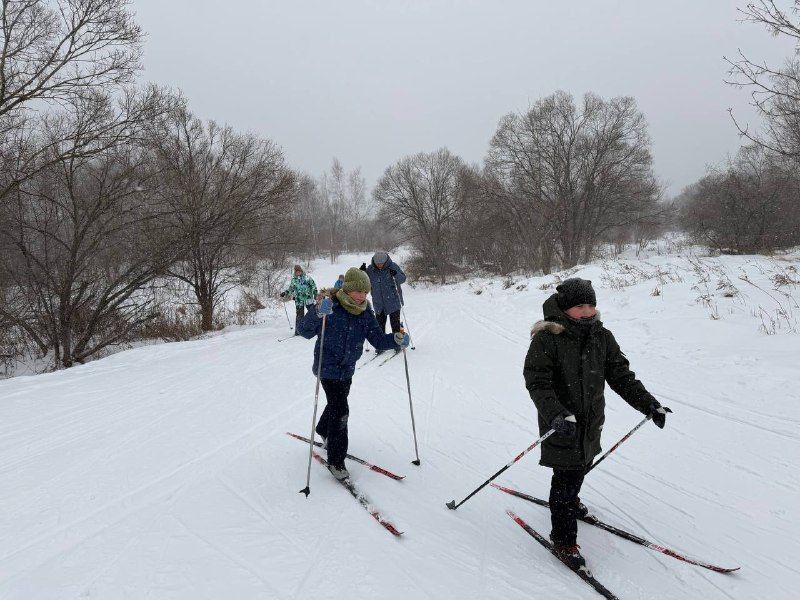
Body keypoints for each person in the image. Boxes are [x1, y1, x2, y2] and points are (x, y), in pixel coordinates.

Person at [523, 278, 667, 570]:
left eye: (591, 304)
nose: (587, 311)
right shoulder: (547, 338)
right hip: (562, 422)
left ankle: (571, 501)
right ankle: (563, 540)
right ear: (565, 308)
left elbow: (621, 376)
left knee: (583, 463)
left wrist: (648, 403)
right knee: (565, 477)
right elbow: (537, 382)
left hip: (591, 421)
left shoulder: (602, 336)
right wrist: (554, 413)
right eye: (580, 306)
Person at [298, 267, 410, 480]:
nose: (362, 296)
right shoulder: (330, 306)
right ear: (347, 289)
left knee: (336, 403)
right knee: (341, 410)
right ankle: (336, 461)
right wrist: (317, 312)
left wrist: (394, 339)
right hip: (327, 367)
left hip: (347, 368)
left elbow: (376, 339)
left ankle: (323, 429)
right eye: (358, 291)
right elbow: (304, 331)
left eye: (365, 292)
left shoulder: (365, 311)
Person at [360, 251, 406, 350]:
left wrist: (396, 274)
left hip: (393, 301)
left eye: (381, 264)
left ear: (385, 261)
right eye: (377, 264)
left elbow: (402, 279)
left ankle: (397, 344)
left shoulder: (392, 266)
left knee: (395, 325)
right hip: (378, 302)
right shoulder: (371, 269)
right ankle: (380, 345)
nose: (379, 265)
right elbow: (363, 282)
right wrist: (362, 272)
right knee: (379, 326)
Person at [280, 265, 317, 335]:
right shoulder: (294, 280)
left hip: (308, 298)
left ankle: (315, 328)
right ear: (295, 272)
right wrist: (285, 293)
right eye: (297, 272)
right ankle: (298, 331)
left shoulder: (307, 278)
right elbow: (291, 289)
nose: (298, 273)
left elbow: (313, 286)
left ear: (301, 271)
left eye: (299, 271)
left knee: (312, 313)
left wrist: (315, 294)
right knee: (299, 316)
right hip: (299, 300)